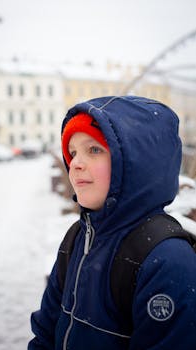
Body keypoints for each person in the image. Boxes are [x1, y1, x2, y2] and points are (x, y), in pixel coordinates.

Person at [28, 96, 196, 350]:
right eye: (72, 152)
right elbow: (45, 331)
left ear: (137, 164)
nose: (75, 163)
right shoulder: (78, 237)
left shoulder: (167, 260)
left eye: (94, 149)